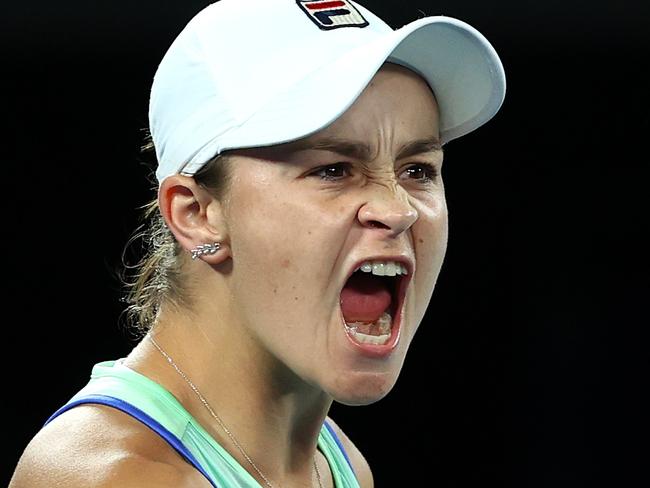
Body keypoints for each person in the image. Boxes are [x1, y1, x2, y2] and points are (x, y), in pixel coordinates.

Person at [10, 0, 505, 487]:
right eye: (333, 169)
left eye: (417, 170)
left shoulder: (339, 465)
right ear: (198, 214)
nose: (398, 210)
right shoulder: (115, 477)